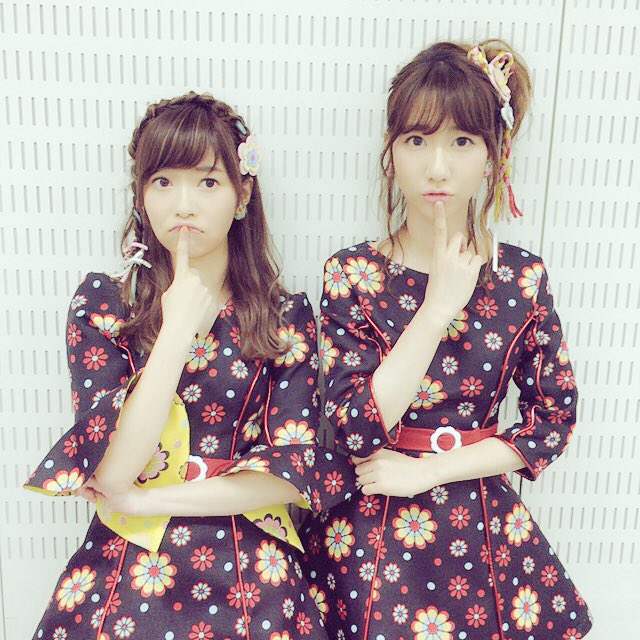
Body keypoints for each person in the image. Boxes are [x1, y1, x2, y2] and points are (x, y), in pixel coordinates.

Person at [25, 92, 353, 640]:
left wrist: (145, 500)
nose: (183, 204)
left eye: (207, 182)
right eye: (163, 182)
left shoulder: (283, 317)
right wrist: (176, 332)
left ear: (242, 194)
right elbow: (111, 471)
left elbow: (289, 475)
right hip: (130, 565)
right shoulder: (103, 305)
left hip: (252, 568)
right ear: (140, 195)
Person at [299, 40, 593, 640]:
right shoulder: (351, 273)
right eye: (417, 140)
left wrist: (428, 472)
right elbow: (354, 427)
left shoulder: (520, 277)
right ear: (391, 153)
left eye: (462, 141)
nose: (437, 166)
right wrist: (436, 309)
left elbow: (551, 421)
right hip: (371, 516)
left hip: (479, 516)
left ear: (493, 155)